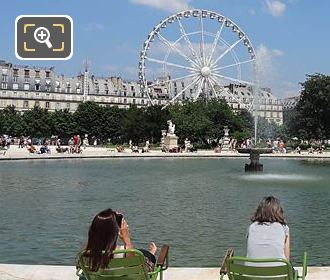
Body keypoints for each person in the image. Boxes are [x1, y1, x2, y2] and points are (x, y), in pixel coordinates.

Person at [79, 208, 157, 274]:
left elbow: (78, 266)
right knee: (145, 256)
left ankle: (149, 254)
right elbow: (138, 271)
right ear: (115, 231)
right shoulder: (123, 252)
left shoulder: (85, 254)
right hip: (130, 272)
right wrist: (126, 239)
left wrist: (95, 232)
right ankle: (151, 253)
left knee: (140, 252)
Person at [246, 196, 290, 264]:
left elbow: (251, 250)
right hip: (278, 273)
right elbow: (287, 259)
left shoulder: (252, 227)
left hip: (251, 273)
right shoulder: (284, 228)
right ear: (278, 211)